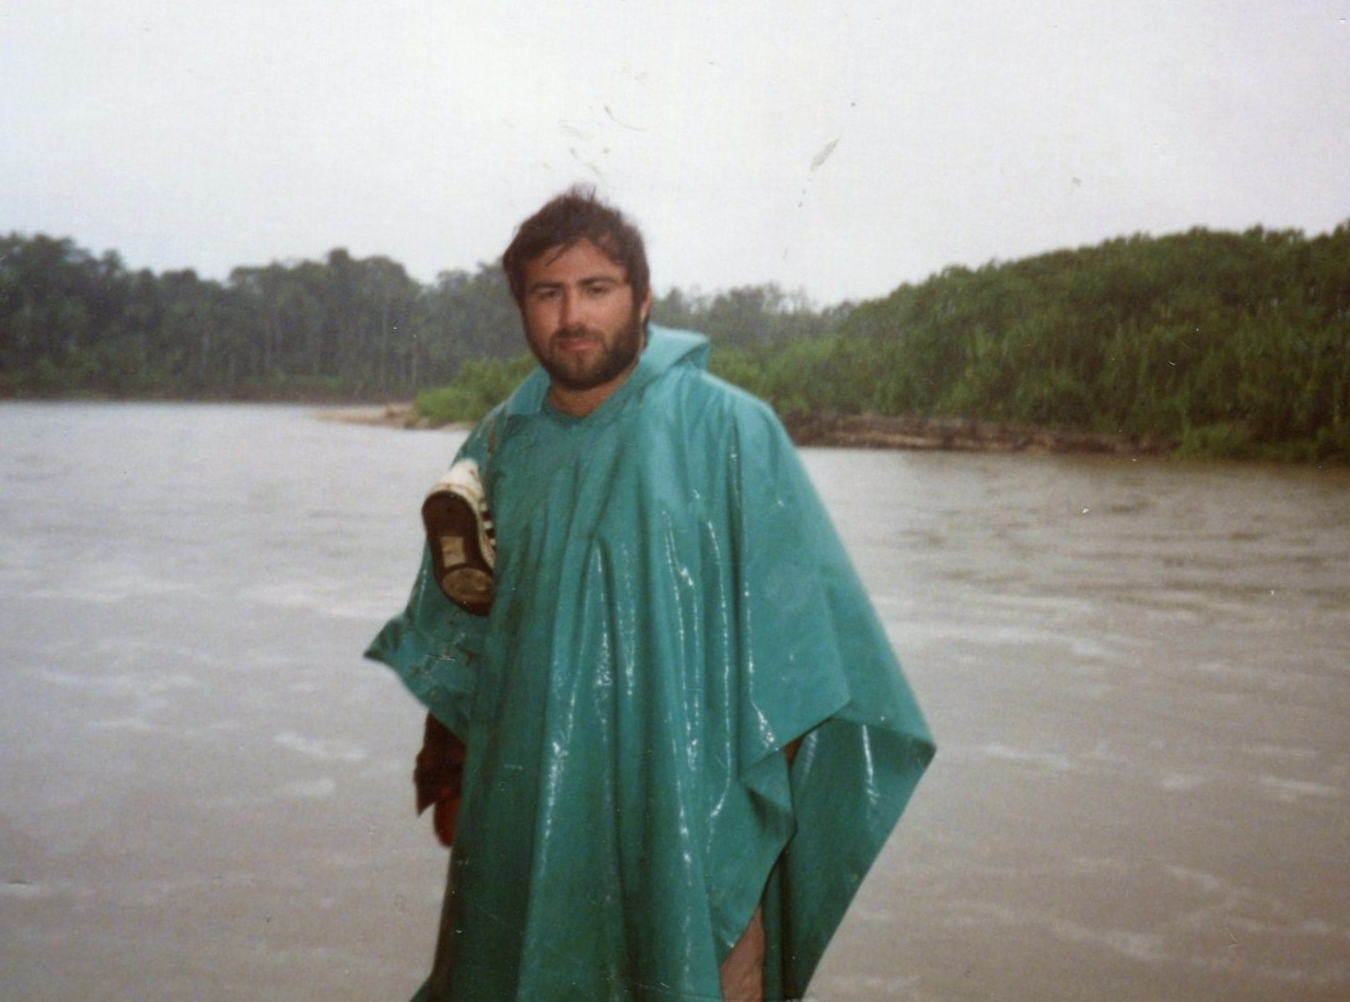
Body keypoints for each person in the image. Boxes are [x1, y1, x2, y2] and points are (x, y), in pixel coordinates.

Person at [366, 187, 934, 1001]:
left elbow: (804, 654)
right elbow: (464, 623)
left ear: (643, 299)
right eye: (547, 293)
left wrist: (745, 846)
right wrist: (448, 775)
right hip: (529, 826)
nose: (572, 316)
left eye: (596, 289)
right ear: (521, 308)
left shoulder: (728, 431)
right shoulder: (497, 444)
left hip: (689, 828)